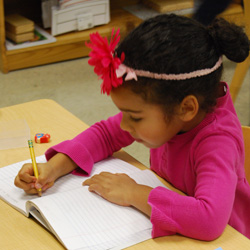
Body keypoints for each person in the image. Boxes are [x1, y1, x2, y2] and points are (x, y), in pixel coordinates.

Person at [14, 14, 250, 241]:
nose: (125, 125)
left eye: (135, 118)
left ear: (186, 108)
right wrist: (53, 168)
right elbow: (106, 134)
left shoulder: (218, 140)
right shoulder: (173, 111)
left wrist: (134, 193)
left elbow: (208, 220)